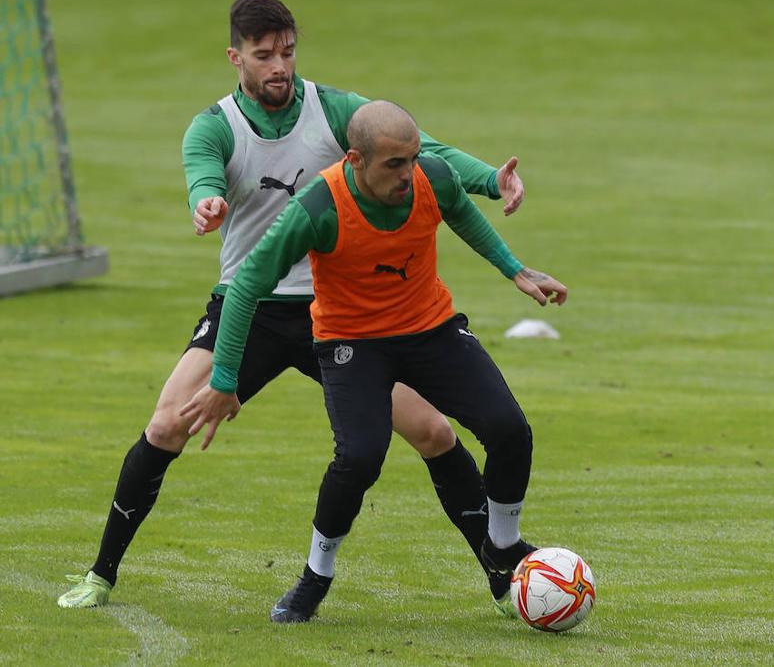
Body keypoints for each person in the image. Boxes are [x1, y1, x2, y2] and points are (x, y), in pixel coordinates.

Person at [59, 0, 526, 616]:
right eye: (263, 55)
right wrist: (206, 202)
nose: (279, 65)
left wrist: (492, 179)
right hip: (248, 307)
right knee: (168, 424)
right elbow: (202, 173)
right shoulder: (214, 126)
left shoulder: (335, 112)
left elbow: (426, 153)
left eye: (287, 52)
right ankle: (101, 573)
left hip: (342, 316)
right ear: (236, 58)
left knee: (434, 431)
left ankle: (502, 578)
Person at [179, 99, 567, 623]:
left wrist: (515, 270)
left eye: (412, 158)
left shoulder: (430, 174)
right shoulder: (318, 207)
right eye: (394, 164)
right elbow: (246, 286)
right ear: (355, 159)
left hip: (430, 330)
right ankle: (315, 577)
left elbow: (460, 212)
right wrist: (225, 379)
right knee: (360, 457)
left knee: (509, 429)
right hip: (352, 343)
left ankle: (503, 546)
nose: (409, 173)